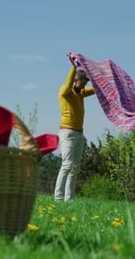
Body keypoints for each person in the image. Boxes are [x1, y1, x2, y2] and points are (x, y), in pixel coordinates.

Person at [54, 58, 95, 202]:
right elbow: (68, 84)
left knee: (75, 168)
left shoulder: (80, 93)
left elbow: (96, 89)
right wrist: (73, 67)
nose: (85, 85)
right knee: (67, 164)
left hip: (79, 133)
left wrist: (103, 81)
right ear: (76, 80)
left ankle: (69, 199)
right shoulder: (65, 92)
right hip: (67, 133)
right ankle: (58, 198)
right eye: (83, 82)